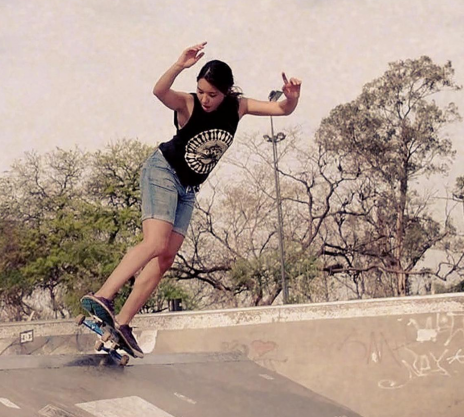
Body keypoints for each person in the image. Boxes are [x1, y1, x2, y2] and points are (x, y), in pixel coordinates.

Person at [81, 42, 302, 356]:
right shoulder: (187, 103)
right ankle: (103, 295)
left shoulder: (237, 107)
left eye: (212, 94)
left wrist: (292, 97)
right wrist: (178, 65)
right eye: (201, 92)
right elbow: (159, 91)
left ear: (226, 92)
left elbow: (282, 110)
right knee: (155, 242)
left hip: (189, 188)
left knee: (166, 257)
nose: (206, 100)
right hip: (163, 171)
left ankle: (123, 323)